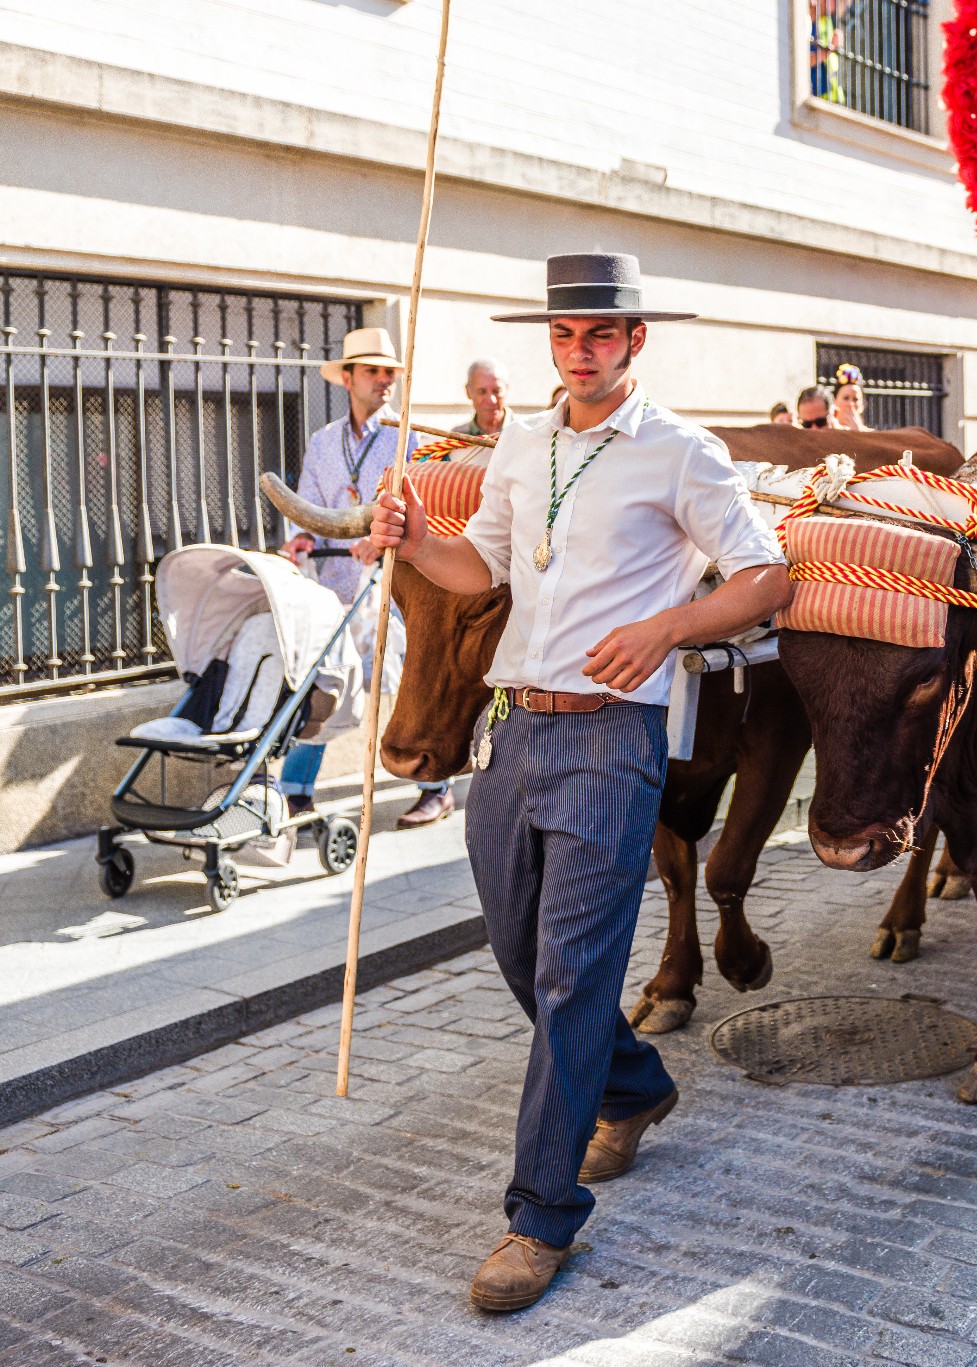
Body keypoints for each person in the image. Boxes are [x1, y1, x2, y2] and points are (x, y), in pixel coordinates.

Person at [362, 253, 791, 1313]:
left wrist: (665, 627)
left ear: (635, 339)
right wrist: (419, 540)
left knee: (569, 977)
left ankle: (538, 1216)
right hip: (514, 736)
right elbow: (481, 567)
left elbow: (766, 572)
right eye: (563, 335)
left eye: (600, 334)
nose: (579, 351)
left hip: (612, 739)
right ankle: (635, 1084)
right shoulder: (522, 437)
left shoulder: (680, 450)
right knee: (520, 954)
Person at [278, 327, 452, 828]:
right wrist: (300, 539)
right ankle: (295, 792)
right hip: (333, 584)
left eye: (389, 373)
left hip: (393, 585)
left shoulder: (408, 437)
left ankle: (434, 787)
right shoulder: (323, 441)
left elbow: (428, 506)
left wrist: (381, 535)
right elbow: (308, 501)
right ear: (348, 378)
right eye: (373, 371)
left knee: (401, 682)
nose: (383, 381)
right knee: (327, 680)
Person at [455, 359, 510, 439]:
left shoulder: (526, 432)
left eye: (496, 391)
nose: (491, 400)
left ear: (506, 389)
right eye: (482, 391)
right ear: (468, 392)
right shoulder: (457, 438)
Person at [830, 362, 869, 431]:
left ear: (862, 405)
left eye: (855, 399)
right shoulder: (828, 431)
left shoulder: (872, 435)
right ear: (835, 401)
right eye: (846, 398)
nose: (851, 404)